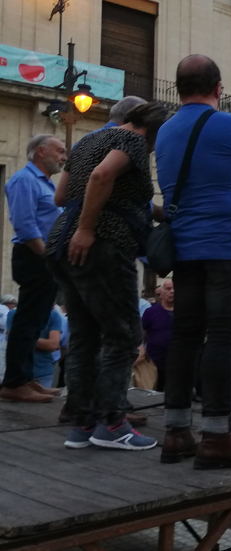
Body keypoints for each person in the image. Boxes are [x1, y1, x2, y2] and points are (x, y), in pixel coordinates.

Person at [157, 55, 231, 468]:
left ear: (178, 87)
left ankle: (175, 433)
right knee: (223, 339)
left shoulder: (165, 131)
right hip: (228, 247)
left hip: (184, 251)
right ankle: (216, 436)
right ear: (219, 88)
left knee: (186, 337)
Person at [45, 103, 169, 450]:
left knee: (85, 337)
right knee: (124, 334)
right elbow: (101, 177)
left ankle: (82, 425)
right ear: (152, 131)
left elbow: (60, 196)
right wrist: (87, 228)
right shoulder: (132, 143)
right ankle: (113, 423)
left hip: (60, 244)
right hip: (102, 246)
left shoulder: (88, 142)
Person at [1, 134, 67, 403]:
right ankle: (15, 382)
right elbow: (26, 226)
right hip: (34, 257)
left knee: (37, 320)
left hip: (43, 257)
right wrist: (47, 256)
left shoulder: (46, 184)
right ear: (41, 152)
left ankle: (26, 379)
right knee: (28, 321)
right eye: (60, 151)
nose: (64, 156)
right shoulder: (24, 180)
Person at [7, 306, 62, 389]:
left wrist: (23, 338)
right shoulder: (14, 314)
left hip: (43, 371)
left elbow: (53, 345)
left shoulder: (53, 315)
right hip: (19, 373)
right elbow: (14, 339)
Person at [141, 279, 174, 391]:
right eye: (168, 289)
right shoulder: (150, 312)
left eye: (174, 289)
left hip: (177, 363)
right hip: (154, 364)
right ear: (161, 292)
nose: (172, 291)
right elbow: (142, 333)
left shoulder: (184, 313)